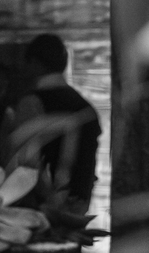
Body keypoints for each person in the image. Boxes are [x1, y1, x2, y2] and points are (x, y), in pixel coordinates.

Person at [8, 34, 101, 212]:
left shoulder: (32, 102)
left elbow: (24, 159)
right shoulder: (87, 108)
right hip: (78, 205)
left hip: (41, 207)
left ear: (34, 62)